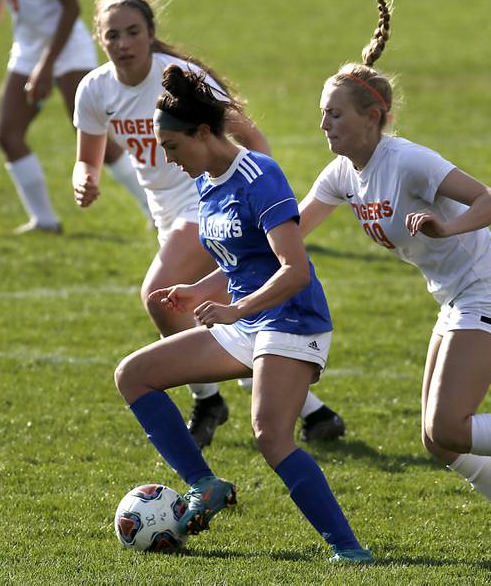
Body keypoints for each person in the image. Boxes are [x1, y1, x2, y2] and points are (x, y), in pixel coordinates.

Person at [298, 0, 491, 533]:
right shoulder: (344, 172)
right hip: (455, 299)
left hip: (490, 294)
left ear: (374, 116)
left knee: (452, 427)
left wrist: (448, 225)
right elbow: (294, 230)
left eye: (335, 116)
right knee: (438, 440)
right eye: (322, 114)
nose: (324, 126)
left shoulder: (409, 160)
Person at [113, 64, 372, 562]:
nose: (169, 160)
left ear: (204, 133)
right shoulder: (207, 183)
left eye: (173, 148)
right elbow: (241, 263)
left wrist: (235, 309)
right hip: (248, 317)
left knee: (270, 437)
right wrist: (195, 289)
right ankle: (204, 484)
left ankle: (349, 551)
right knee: (134, 375)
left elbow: (294, 270)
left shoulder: (261, 176)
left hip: (293, 319)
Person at [72, 0, 345, 448]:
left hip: (208, 204)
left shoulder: (181, 79)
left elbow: (252, 141)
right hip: (167, 214)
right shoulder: (94, 90)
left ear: (151, 34)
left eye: (133, 32)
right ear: (100, 39)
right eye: (112, 34)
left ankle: (207, 400)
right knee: (195, 309)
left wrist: (252, 197)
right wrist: (85, 177)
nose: (123, 43)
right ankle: (314, 414)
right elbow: (88, 157)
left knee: (158, 296)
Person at [0, 0, 149, 234]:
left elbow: (72, 7)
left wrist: (47, 65)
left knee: (95, 138)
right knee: (8, 135)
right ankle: (44, 221)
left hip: (68, 49)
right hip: (27, 52)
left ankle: (153, 209)